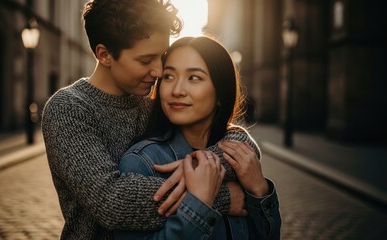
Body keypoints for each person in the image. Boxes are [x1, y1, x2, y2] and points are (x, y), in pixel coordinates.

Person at [42, 1, 248, 239]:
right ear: (105, 54)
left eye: (161, 57)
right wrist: (216, 196)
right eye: (146, 60)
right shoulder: (68, 109)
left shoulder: (154, 105)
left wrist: (202, 166)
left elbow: (234, 136)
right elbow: (112, 202)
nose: (159, 71)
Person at [115, 36, 281, 239]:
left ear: (220, 94)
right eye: (168, 76)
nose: (177, 91)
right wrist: (199, 204)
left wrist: (259, 191)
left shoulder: (238, 158)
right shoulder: (142, 162)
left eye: (194, 78)